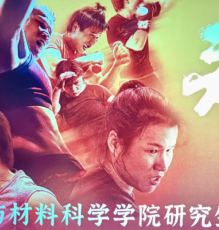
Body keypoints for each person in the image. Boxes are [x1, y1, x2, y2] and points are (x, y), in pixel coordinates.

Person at [0, 0, 84, 202]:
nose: (46, 33)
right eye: (41, 24)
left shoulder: (33, 71)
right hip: (34, 176)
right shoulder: (2, 52)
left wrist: (57, 91)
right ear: (22, 18)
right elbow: (15, 4)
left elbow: (43, 118)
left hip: (60, 173)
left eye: (50, 31)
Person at [67, 85, 181, 214]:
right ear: (115, 143)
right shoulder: (115, 207)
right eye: (152, 151)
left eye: (168, 150)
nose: (163, 166)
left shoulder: (95, 180)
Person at [107, 0, 190, 89]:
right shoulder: (113, 24)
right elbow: (137, 44)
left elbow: (162, 5)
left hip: (149, 76)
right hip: (129, 82)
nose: (141, 0)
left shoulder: (139, 13)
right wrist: (144, 19)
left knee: (164, 99)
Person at [42, 3, 130, 90]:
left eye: (97, 37)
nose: (93, 42)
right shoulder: (53, 38)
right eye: (92, 35)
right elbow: (53, 69)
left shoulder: (84, 58)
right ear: (75, 28)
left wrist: (117, 64)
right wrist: (91, 59)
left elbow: (101, 88)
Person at [52, 59, 114, 169]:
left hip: (109, 138)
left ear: (82, 77)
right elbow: (52, 112)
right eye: (68, 86)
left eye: (76, 83)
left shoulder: (97, 90)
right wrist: (57, 88)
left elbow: (118, 106)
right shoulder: (60, 99)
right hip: (89, 148)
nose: (73, 89)